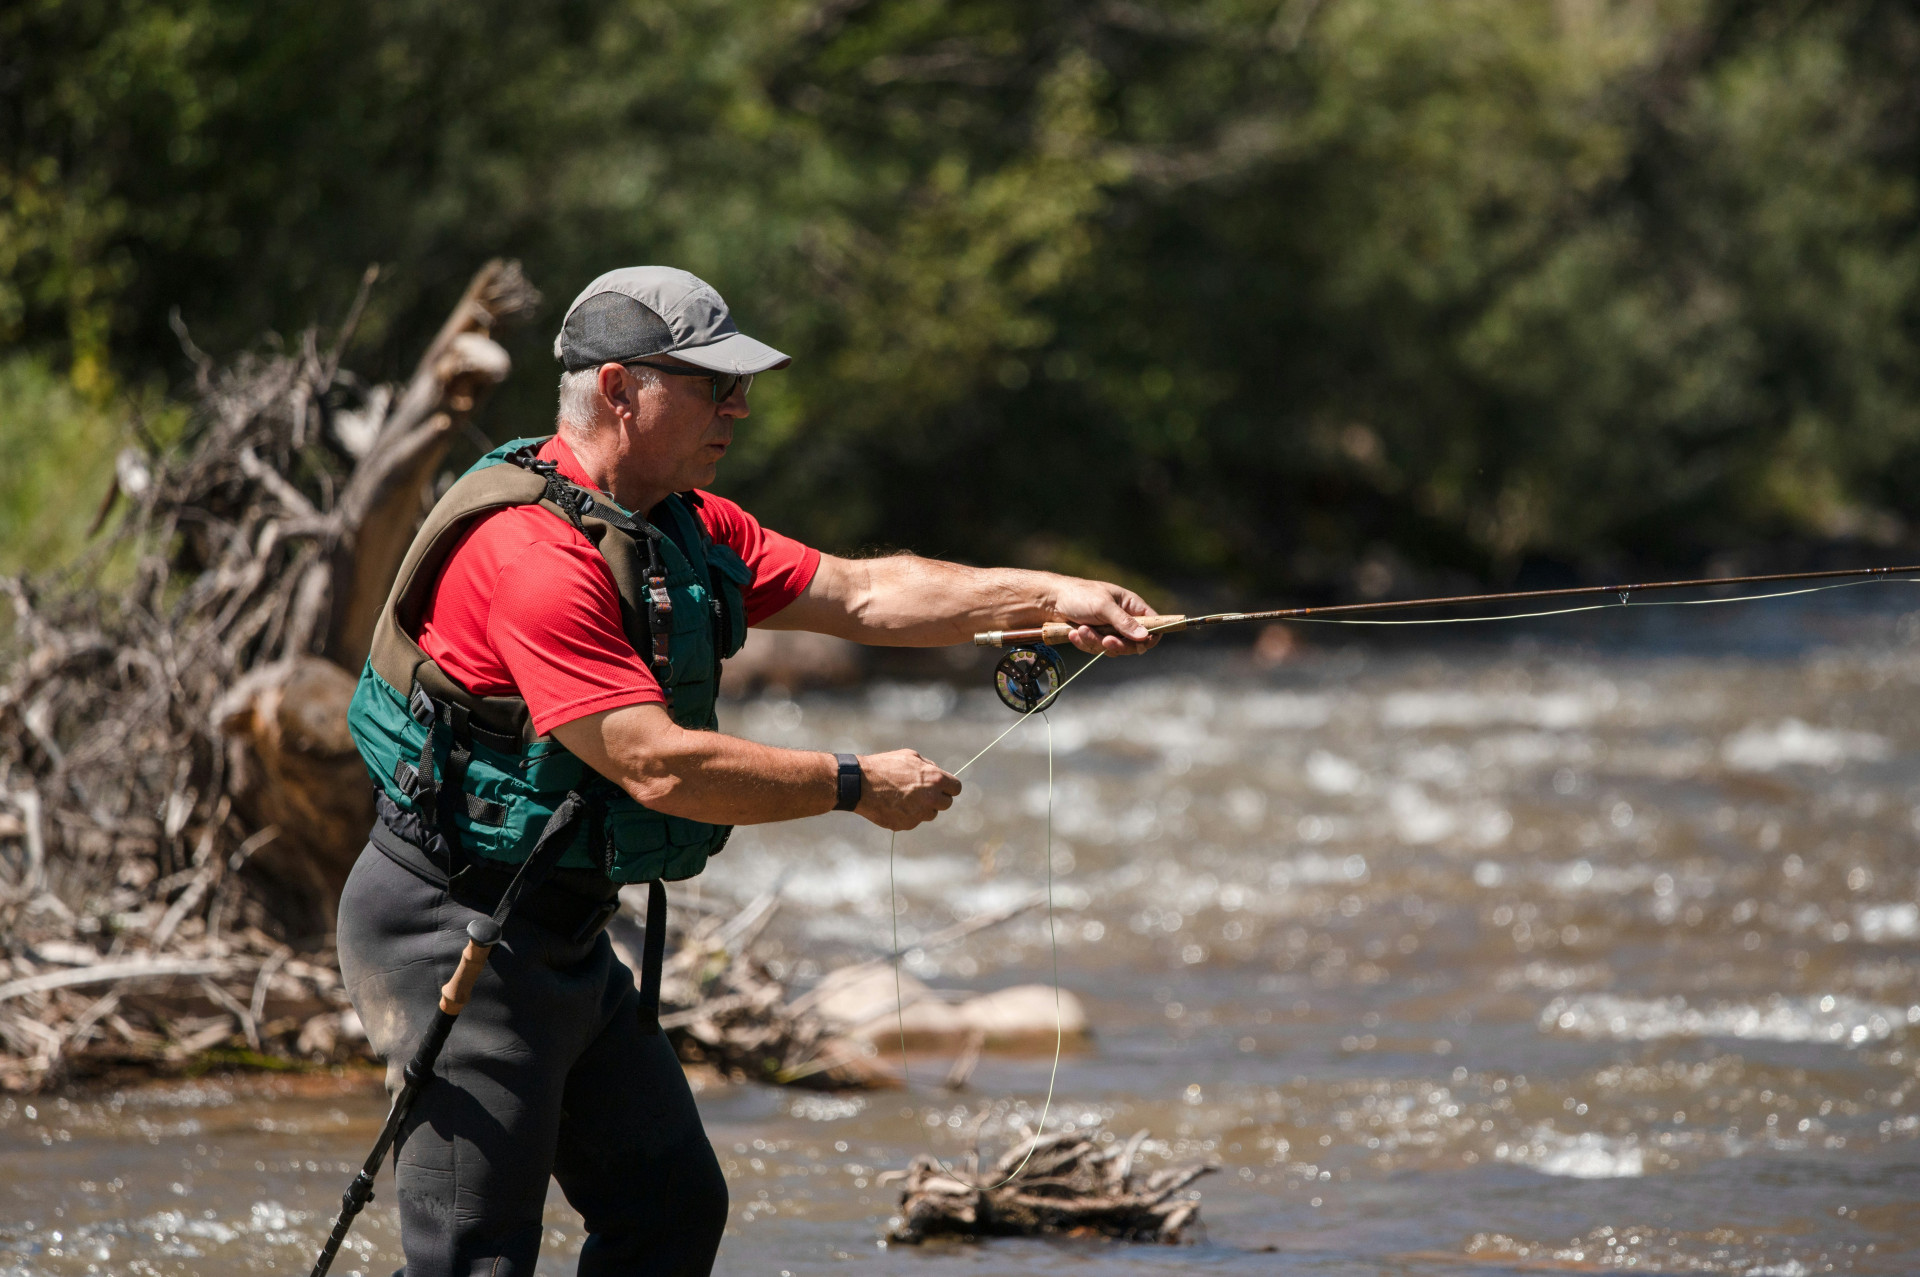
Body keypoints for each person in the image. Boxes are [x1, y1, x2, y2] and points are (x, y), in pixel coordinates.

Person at [336, 266, 1158, 1277]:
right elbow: (653, 764)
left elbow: (861, 593)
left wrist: (1052, 596)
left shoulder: (677, 520)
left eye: (741, 384)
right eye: (714, 384)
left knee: (672, 1209)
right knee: (475, 1259)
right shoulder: (534, 556)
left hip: (563, 930)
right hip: (450, 928)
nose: (740, 406)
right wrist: (853, 782)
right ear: (618, 390)